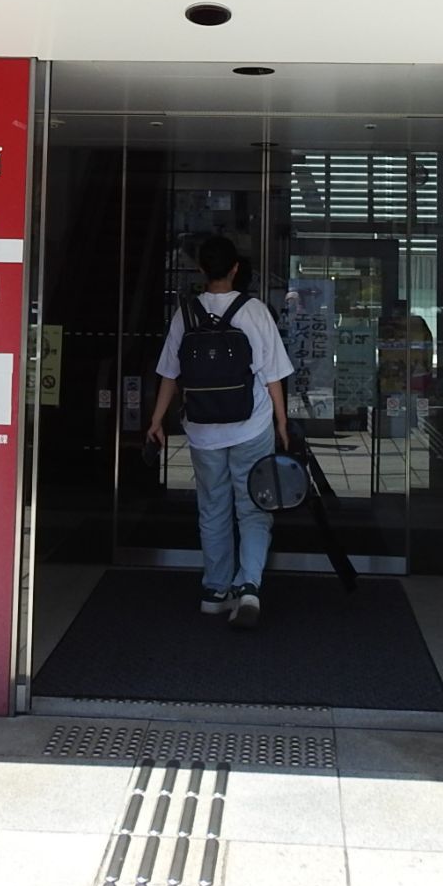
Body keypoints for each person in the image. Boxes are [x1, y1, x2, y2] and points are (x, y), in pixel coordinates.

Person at [148, 235, 293, 628]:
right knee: (254, 507)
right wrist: (282, 422)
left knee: (213, 508)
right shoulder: (254, 311)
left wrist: (156, 420)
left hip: (203, 431)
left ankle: (215, 591)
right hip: (251, 427)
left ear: (201, 270)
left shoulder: (185, 314)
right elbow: (273, 375)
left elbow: (169, 374)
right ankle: (249, 587)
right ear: (235, 269)